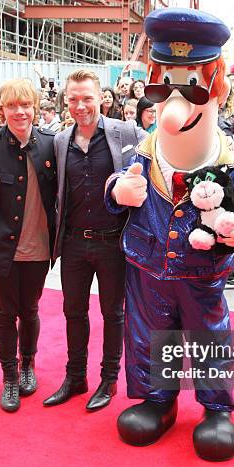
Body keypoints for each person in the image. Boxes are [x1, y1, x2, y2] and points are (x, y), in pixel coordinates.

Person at [105, 8, 234, 462]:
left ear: (214, 86)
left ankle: (216, 408)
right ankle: (158, 399)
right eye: (165, 86)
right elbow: (118, 184)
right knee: (150, 333)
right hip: (149, 263)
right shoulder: (145, 147)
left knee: (208, 334)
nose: (175, 103)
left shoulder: (230, 155)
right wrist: (119, 190)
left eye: (191, 86)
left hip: (201, 269)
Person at [43, 70, 146, 411]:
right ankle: (75, 377)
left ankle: (109, 379)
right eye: (72, 99)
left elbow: (161, 151)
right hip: (72, 242)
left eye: (86, 98)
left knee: (113, 313)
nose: (79, 105)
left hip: (113, 242)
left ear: (101, 97)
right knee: (73, 311)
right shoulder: (60, 141)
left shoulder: (125, 131)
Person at [0, 79, 57, 412]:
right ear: (1, 110)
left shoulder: (51, 145)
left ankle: (28, 365)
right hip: (0, 250)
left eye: (26, 105)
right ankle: (9, 377)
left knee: (29, 311)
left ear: (35, 107)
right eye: (12, 106)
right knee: (5, 314)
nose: (20, 112)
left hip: (38, 249)